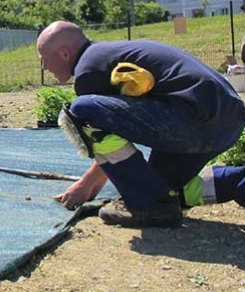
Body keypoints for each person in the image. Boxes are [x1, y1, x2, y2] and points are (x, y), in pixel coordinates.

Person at [37, 20, 245, 228]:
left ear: (64, 53)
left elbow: (104, 128)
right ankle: (237, 182)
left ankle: (150, 206)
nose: (45, 67)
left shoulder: (88, 70)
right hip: (227, 123)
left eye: (44, 60)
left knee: (81, 111)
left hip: (194, 121)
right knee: (162, 191)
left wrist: (86, 185)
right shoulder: (106, 55)